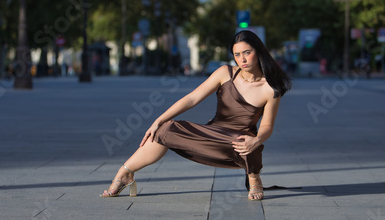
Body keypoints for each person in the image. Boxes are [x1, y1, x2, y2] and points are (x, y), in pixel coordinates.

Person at [101, 30, 292, 201]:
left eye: (247, 53)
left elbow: (267, 126)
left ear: (258, 51)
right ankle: (125, 173)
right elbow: (192, 98)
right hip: (213, 134)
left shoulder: (270, 88)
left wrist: (257, 140)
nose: (242, 59)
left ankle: (253, 176)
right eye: (237, 55)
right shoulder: (225, 73)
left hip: (240, 141)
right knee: (165, 128)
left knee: (248, 143)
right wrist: (158, 120)